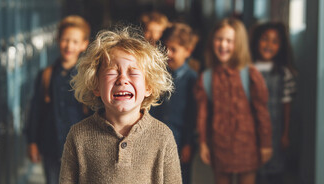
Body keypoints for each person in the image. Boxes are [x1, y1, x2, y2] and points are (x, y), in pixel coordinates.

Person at [59, 27, 182, 184]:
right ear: (96, 86)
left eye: (133, 72)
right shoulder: (78, 136)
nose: (122, 79)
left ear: (148, 87)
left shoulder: (163, 136)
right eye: (112, 72)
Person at [195, 18, 273, 184]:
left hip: (247, 147)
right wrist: (202, 143)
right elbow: (203, 114)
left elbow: (262, 112)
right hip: (219, 147)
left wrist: (265, 143)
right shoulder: (207, 78)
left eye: (229, 41)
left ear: (239, 44)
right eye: (219, 39)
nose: (223, 45)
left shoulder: (250, 75)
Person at [26, 15, 92, 184]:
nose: (69, 46)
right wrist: (33, 141)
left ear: (84, 44)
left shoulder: (88, 77)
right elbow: (36, 110)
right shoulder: (46, 75)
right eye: (65, 40)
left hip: (79, 148)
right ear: (58, 40)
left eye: (75, 42)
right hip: (51, 145)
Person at [150, 23, 198, 184]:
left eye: (174, 49)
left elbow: (193, 116)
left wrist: (188, 143)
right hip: (155, 138)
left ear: (188, 51)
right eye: (165, 48)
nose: (168, 53)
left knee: (180, 177)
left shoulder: (193, 79)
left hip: (180, 139)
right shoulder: (157, 76)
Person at [250, 22, 297, 184]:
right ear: (256, 41)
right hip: (251, 132)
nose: (269, 45)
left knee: (275, 173)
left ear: (281, 46)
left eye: (275, 41)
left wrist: (285, 133)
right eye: (265, 39)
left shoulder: (284, 74)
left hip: (275, 133)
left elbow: (286, 106)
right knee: (254, 173)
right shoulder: (248, 70)